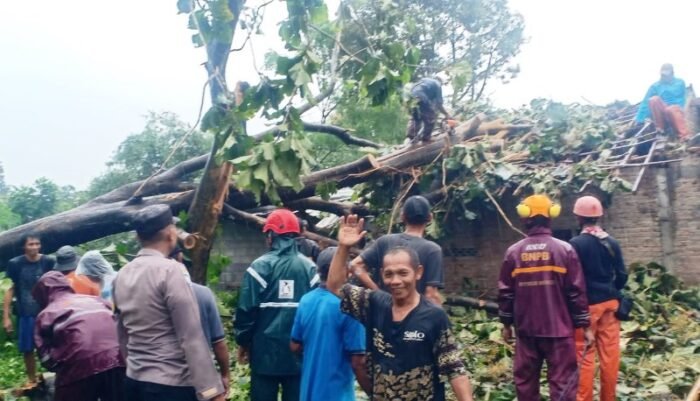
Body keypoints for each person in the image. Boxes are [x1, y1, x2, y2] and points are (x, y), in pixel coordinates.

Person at [326, 215, 474, 401]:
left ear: (418, 272)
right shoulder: (374, 304)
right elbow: (335, 286)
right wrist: (343, 247)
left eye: (403, 273)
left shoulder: (434, 316)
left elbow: (454, 369)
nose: (395, 281)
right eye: (389, 274)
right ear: (382, 274)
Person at [113, 204, 225, 401]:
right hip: (171, 385)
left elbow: (122, 334)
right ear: (171, 234)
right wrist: (212, 392)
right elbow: (191, 337)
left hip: (134, 382)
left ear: (139, 238)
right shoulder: (170, 271)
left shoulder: (121, 275)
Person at [498, 194, 593, 401]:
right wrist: (585, 325)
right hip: (559, 332)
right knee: (563, 384)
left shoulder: (513, 253)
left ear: (524, 217)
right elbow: (576, 291)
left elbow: (506, 292)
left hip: (526, 332)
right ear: (551, 217)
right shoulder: (565, 250)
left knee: (525, 383)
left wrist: (506, 324)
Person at [234, 208, 318, 401]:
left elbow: (246, 310)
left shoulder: (259, 267)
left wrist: (243, 342)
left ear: (271, 235)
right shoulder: (310, 269)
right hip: (299, 355)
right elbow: (315, 313)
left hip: (264, 356)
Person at [290, 247, 370, 401]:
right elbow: (358, 362)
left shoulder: (306, 300)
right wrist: (375, 394)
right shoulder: (350, 306)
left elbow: (295, 346)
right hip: (337, 394)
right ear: (346, 270)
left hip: (309, 392)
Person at [32, 271, 125, 401]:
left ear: (42, 295)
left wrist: (61, 365)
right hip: (117, 359)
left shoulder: (45, 315)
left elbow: (46, 359)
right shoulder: (97, 300)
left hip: (78, 366)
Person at [570, 196, 628, 401]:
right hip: (611, 304)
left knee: (584, 355)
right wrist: (612, 290)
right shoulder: (611, 242)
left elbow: (572, 280)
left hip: (587, 307)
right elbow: (622, 275)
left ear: (578, 217)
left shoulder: (574, 245)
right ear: (599, 217)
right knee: (610, 355)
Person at [351, 195, 444, 305]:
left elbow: (355, 265)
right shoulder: (432, 250)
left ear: (402, 216)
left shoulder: (385, 241)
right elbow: (431, 295)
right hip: (414, 314)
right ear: (430, 217)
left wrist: (378, 293)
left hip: (383, 313)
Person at [170, 247, 231, 395]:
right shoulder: (203, 294)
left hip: (163, 379)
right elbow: (219, 343)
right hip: (202, 378)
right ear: (180, 258)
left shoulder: (148, 297)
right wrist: (225, 375)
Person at [3, 233, 55, 386]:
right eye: (30, 244)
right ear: (23, 247)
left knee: (51, 345)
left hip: (46, 312)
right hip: (25, 312)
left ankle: (56, 375)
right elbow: (10, 289)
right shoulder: (15, 264)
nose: (34, 247)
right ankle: (32, 379)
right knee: (28, 348)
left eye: (37, 244)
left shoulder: (48, 261)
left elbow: (55, 285)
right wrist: (6, 317)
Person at [634, 63, 690, 141]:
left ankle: (684, 136)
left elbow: (682, 99)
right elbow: (645, 103)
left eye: (667, 75)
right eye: (663, 75)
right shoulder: (655, 86)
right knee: (653, 99)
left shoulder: (680, 82)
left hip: (676, 111)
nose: (664, 77)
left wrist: (682, 111)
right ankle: (661, 130)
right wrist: (640, 119)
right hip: (662, 112)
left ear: (672, 73)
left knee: (672, 109)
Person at [406, 77, 453, 143]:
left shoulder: (425, 81)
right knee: (431, 118)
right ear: (440, 82)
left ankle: (412, 134)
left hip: (410, 96)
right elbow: (439, 103)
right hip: (421, 95)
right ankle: (426, 138)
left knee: (416, 117)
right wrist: (446, 114)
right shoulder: (437, 84)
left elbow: (431, 102)